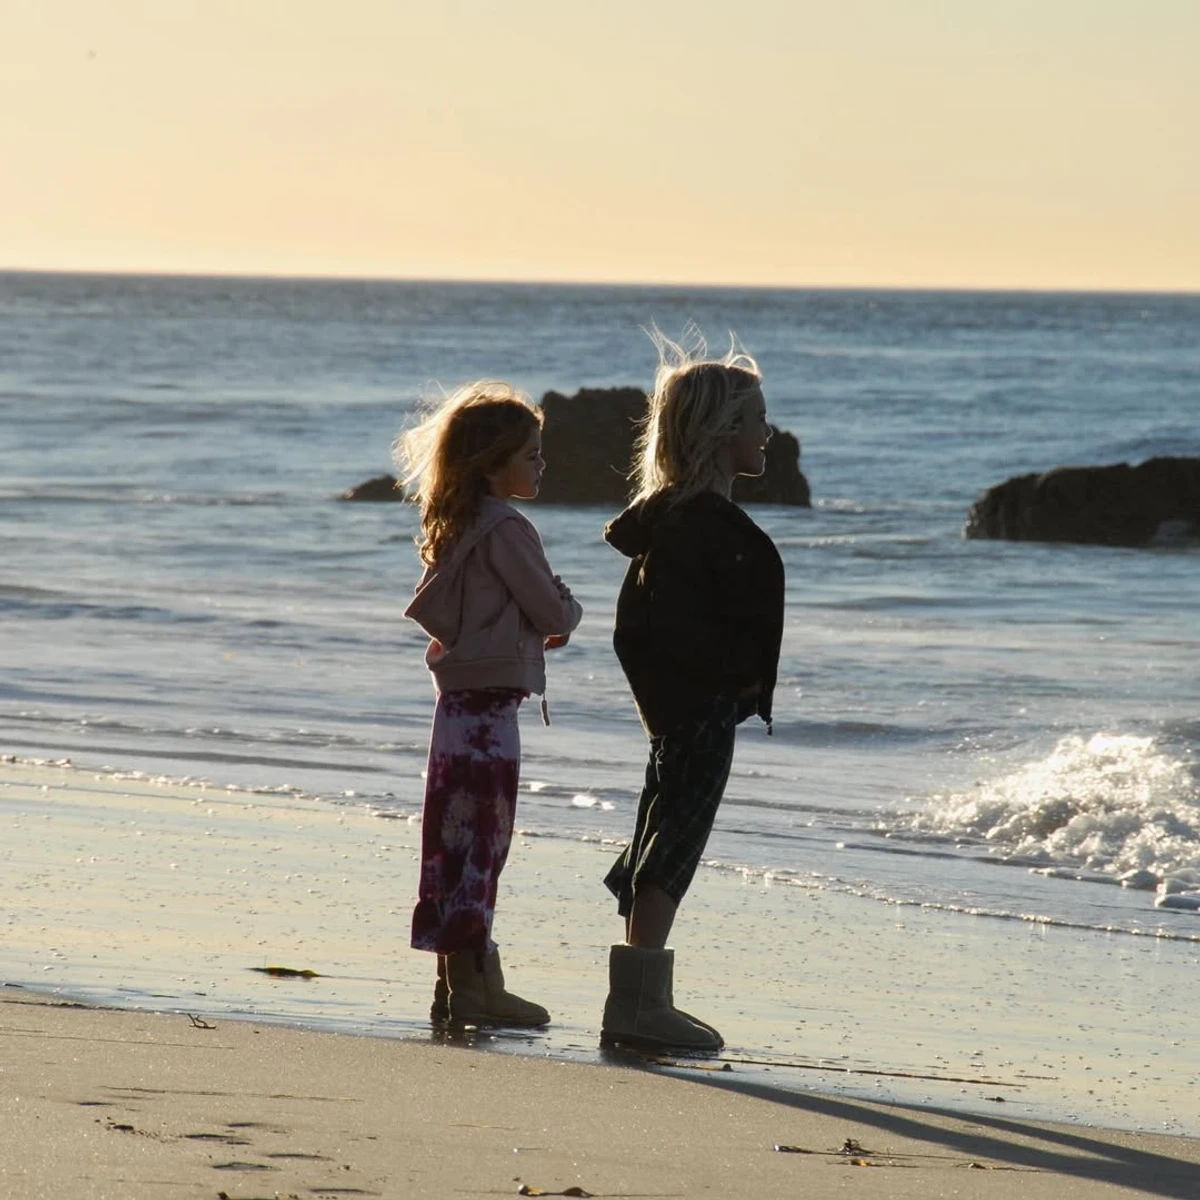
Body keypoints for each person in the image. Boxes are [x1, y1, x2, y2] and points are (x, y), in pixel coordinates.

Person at [600, 335, 785, 1052]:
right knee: (673, 840)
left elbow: (641, 631)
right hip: (694, 710)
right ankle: (640, 1002)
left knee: (664, 831)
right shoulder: (690, 528)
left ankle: (640, 997)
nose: (767, 432)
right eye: (755, 419)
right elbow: (649, 631)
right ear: (719, 432)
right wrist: (716, 685)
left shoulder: (677, 519)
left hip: (689, 709)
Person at [396, 381, 582, 1029]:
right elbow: (551, 610)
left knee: (451, 840)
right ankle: (480, 986)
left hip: (452, 711)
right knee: (485, 842)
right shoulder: (508, 527)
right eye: (530, 455)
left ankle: (456, 984)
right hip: (491, 715)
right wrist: (568, 605)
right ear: (491, 461)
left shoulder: (457, 523)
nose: (540, 465)